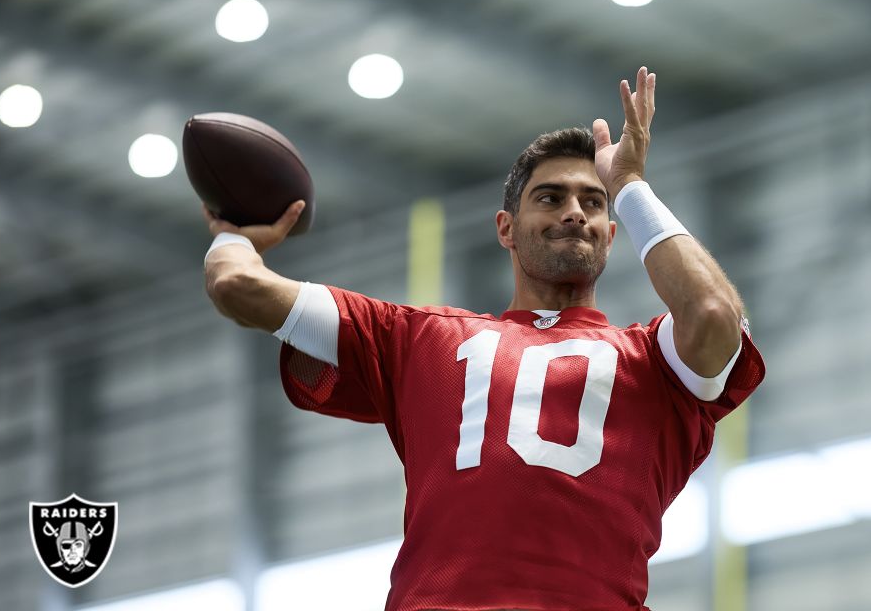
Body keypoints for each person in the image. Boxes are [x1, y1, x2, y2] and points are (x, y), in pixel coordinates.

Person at [202, 66, 766, 611]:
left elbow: (714, 311)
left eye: (592, 203)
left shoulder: (654, 359)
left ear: (613, 234)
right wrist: (232, 234)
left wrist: (630, 185)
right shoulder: (418, 339)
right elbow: (238, 285)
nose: (574, 213)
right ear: (506, 229)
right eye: (549, 198)